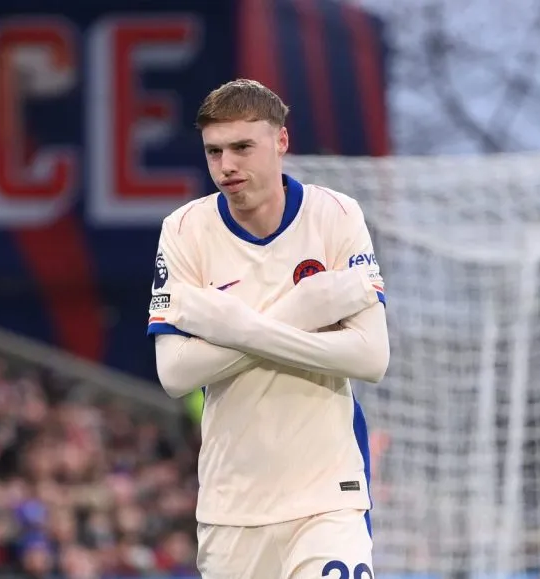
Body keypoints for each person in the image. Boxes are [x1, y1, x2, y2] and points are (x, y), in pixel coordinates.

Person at [147, 79, 390, 578]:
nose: (226, 165)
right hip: (231, 507)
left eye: (242, 147)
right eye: (214, 151)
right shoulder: (184, 229)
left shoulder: (336, 214)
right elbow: (174, 374)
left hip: (328, 498)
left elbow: (371, 358)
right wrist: (302, 310)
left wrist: (233, 327)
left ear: (281, 141)